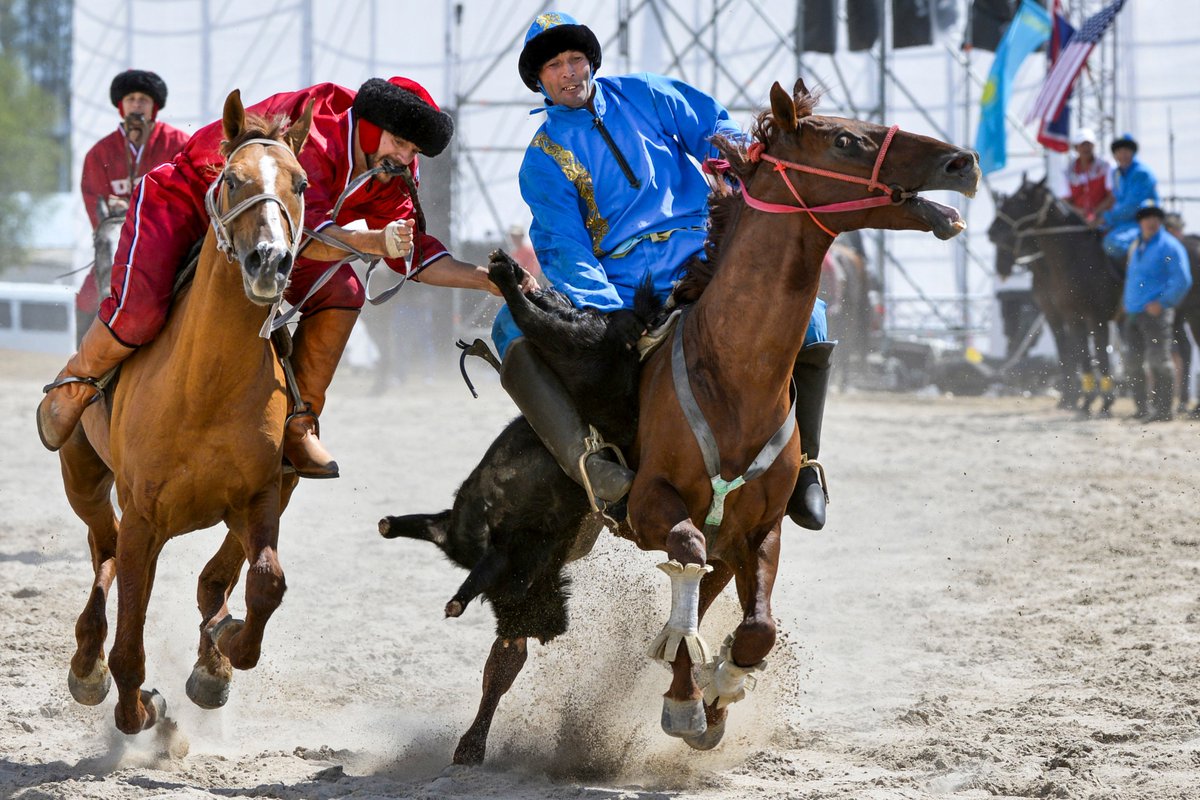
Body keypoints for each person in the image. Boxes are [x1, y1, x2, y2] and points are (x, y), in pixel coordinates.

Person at [39, 76, 534, 478]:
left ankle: (298, 425)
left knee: (346, 289)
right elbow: (303, 233)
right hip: (191, 199)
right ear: (368, 128)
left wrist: (490, 280)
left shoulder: (393, 171)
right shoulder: (314, 137)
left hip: (267, 234)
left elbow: (414, 252)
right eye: (401, 143)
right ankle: (75, 384)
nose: (406, 158)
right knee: (142, 312)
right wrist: (369, 242)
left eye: (413, 151)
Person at [492, 11, 833, 529]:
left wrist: (733, 179)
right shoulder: (541, 161)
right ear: (538, 80)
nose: (569, 72)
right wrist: (606, 312)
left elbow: (718, 131)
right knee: (510, 326)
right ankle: (594, 467)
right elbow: (564, 247)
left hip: (707, 251)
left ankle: (805, 465)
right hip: (625, 284)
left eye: (576, 58)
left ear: (592, 61)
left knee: (810, 316)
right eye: (555, 65)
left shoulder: (646, 93)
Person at [76, 70, 190, 319]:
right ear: (121, 107)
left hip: (168, 244)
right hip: (120, 246)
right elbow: (95, 206)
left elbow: (190, 196)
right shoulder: (99, 154)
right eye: (131, 99)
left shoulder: (179, 145)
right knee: (86, 298)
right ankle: (85, 357)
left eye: (143, 100)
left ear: (154, 107)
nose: (137, 105)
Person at [1121, 201, 1192, 422]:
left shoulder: (1169, 247)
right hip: (1133, 312)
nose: (1150, 220)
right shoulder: (1136, 246)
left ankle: (1163, 411)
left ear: (1160, 220)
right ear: (1140, 221)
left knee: (1159, 360)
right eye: (1145, 216)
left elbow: (1182, 279)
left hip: (1155, 313)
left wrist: (1163, 302)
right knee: (1133, 362)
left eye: (1155, 216)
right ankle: (1142, 408)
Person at [1102, 133, 1159, 260]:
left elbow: (1132, 206)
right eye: (1119, 151)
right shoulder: (1117, 173)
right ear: (1115, 155)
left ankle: (1131, 275)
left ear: (1133, 152)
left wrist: (1106, 218)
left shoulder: (1141, 173)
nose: (1123, 155)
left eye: (1126, 151)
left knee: (1112, 244)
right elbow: (1117, 200)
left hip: (1142, 223)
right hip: (1123, 223)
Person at [1165, 212, 1198, 414]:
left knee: (1181, 352)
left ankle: (1183, 398)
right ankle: (1183, 398)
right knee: (1182, 352)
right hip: (1182, 307)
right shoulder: (1187, 246)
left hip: (1182, 306)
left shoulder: (1173, 249)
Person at [1061, 128, 1112, 226]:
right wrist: (1080, 213)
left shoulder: (1105, 166)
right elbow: (1065, 201)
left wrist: (1095, 212)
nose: (1086, 148)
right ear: (1076, 148)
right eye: (1082, 145)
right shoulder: (1068, 171)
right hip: (1077, 219)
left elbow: (1111, 197)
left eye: (1089, 144)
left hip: (1103, 217)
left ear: (1094, 146)